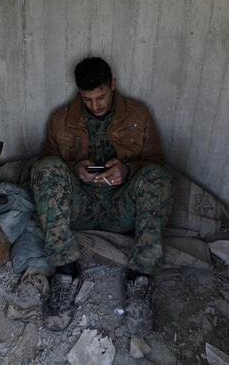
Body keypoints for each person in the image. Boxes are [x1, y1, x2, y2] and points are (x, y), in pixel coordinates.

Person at [31, 57, 172, 335]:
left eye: (101, 96)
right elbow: (48, 165)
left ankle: (139, 279)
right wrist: (75, 169)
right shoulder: (61, 120)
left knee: (159, 178)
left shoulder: (138, 115)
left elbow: (157, 163)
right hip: (80, 206)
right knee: (44, 169)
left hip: (122, 207)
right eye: (87, 99)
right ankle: (66, 271)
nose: (96, 105)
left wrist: (128, 170)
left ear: (113, 86)